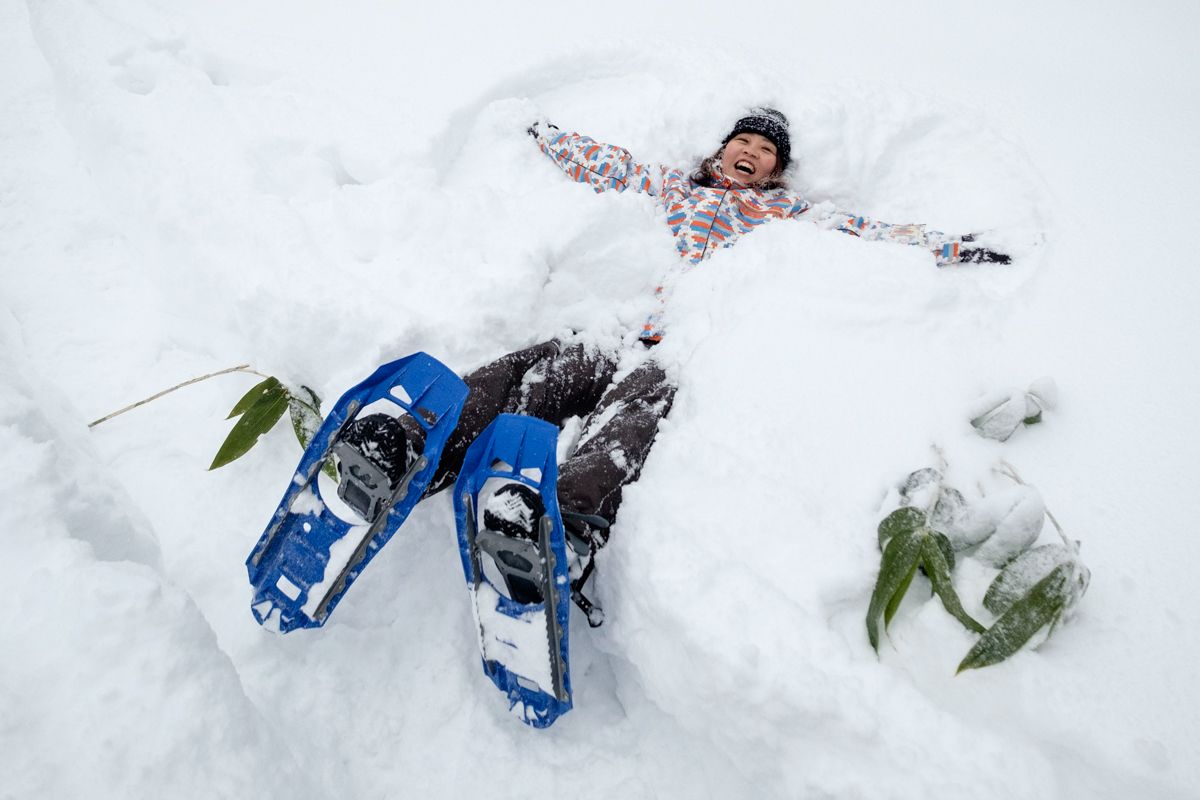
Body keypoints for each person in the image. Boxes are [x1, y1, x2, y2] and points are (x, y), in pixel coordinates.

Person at [356, 108, 1008, 617]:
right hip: (622, 328)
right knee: (534, 367)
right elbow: (608, 164)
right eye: (742, 144)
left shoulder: (785, 213)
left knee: (630, 416)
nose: (750, 155)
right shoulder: (675, 187)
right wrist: (545, 132)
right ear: (719, 151)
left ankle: (571, 525)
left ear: (776, 173)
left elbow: (870, 233)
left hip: (677, 346)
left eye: (765, 152)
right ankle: (418, 443)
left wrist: (953, 247)